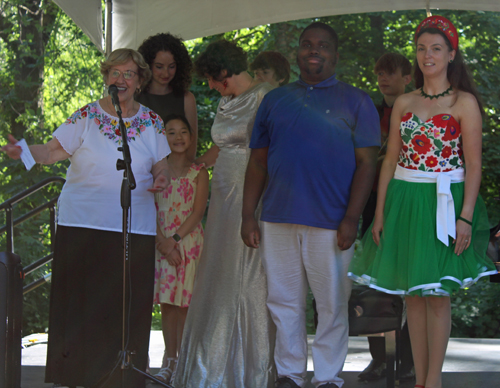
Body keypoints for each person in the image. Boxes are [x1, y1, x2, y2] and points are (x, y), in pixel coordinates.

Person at [2, 48, 171, 388]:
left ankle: (124, 374)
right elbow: (50, 152)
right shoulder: (86, 116)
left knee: (125, 302)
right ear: (106, 77)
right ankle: (81, 375)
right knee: (84, 303)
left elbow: (161, 164)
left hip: (133, 225)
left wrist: (163, 178)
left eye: (127, 74)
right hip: (82, 222)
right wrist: (24, 150)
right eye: (114, 73)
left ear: (139, 81)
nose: (120, 79)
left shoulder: (152, 121)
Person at [348, 16, 497, 388]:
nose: (427, 56)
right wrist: (380, 212)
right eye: (421, 49)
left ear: (451, 54)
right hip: (404, 201)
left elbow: (475, 166)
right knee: (412, 295)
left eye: (435, 49)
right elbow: (390, 162)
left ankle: (433, 379)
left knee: (437, 295)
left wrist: (465, 217)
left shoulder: (464, 103)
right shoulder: (404, 102)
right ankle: (417, 381)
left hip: (445, 204)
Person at [241, 22, 380, 388]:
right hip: (276, 217)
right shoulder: (275, 100)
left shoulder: (357, 101)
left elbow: (368, 164)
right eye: (306, 45)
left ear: (335, 54)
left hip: (332, 221)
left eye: (322, 46)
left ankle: (328, 378)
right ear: (298, 52)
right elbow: (257, 162)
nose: (313, 50)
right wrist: (247, 215)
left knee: (331, 305)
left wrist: (352, 217)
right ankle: (290, 374)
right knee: (283, 301)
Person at [174, 40, 276, 388]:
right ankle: (209, 362)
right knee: (217, 271)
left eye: (213, 78)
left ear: (226, 71)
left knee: (247, 275)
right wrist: (200, 162)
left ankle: (250, 368)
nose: (212, 86)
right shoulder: (224, 100)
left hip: (253, 192)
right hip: (221, 194)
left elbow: (272, 147)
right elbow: (221, 144)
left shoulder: (266, 95)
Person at [357, 52, 415, 382]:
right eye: (380, 72)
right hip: (372, 208)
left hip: (408, 206)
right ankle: (378, 359)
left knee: (409, 287)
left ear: (407, 77)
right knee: (374, 284)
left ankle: (407, 359)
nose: (383, 78)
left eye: (391, 73)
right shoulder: (368, 111)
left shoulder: (419, 110)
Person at [152, 114, 209, 384]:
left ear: (191, 137)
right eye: (171, 132)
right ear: (163, 137)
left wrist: (174, 240)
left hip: (188, 243)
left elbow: (198, 212)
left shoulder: (199, 171)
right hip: (161, 243)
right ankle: (169, 360)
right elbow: (147, 209)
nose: (178, 137)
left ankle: (184, 363)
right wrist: (162, 243)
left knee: (185, 304)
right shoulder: (155, 169)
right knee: (168, 304)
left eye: (183, 132)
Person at [137, 33, 198, 159]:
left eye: (171, 66)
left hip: (175, 174)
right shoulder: (134, 97)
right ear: (148, 65)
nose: (166, 73)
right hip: (141, 172)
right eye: (159, 67)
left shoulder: (187, 99)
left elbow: (191, 146)